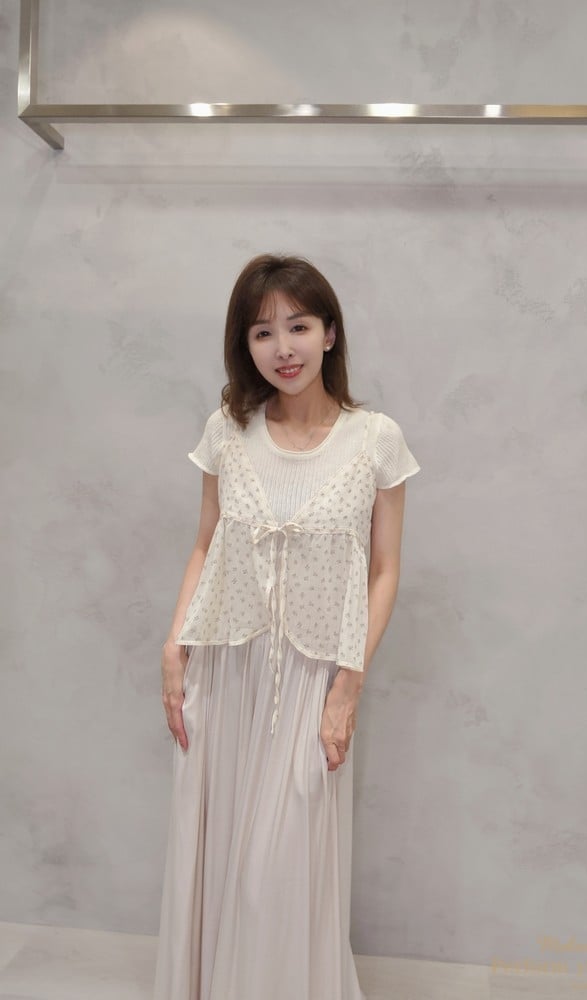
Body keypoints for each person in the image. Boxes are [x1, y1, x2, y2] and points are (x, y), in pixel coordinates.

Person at [152, 253, 421, 1000]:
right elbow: (205, 542)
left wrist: (348, 685)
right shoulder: (227, 430)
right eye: (263, 332)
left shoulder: (375, 440)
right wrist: (174, 647)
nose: (283, 348)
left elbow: (385, 570)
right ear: (246, 345)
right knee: (218, 854)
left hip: (314, 678)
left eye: (298, 326)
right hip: (224, 668)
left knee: (281, 865)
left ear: (330, 332)